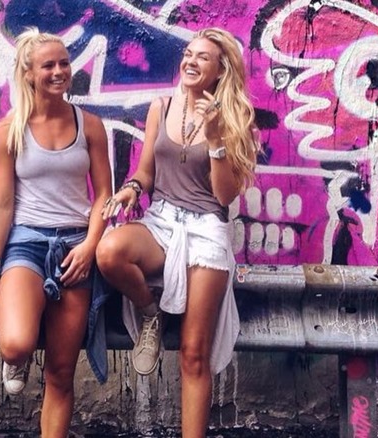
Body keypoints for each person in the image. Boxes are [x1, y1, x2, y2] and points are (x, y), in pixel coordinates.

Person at [96, 27, 260, 437]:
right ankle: (150, 313)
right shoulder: (162, 106)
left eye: (203, 57)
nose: (190, 61)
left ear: (220, 70)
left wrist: (217, 138)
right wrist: (133, 189)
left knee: (192, 353)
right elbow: (146, 172)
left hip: (206, 229)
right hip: (162, 221)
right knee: (110, 252)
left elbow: (224, 195)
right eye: (188, 53)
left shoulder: (236, 119)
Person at [0, 28, 112, 437]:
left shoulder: (90, 126)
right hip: (27, 244)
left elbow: (104, 196)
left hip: (75, 248)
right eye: (48, 65)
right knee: (15, 344)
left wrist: (90, 246)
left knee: (61, 372)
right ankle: (17, 359)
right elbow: (3, 205)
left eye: (64, 63)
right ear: (29, 73)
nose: (59, 72)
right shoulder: (8, 131)